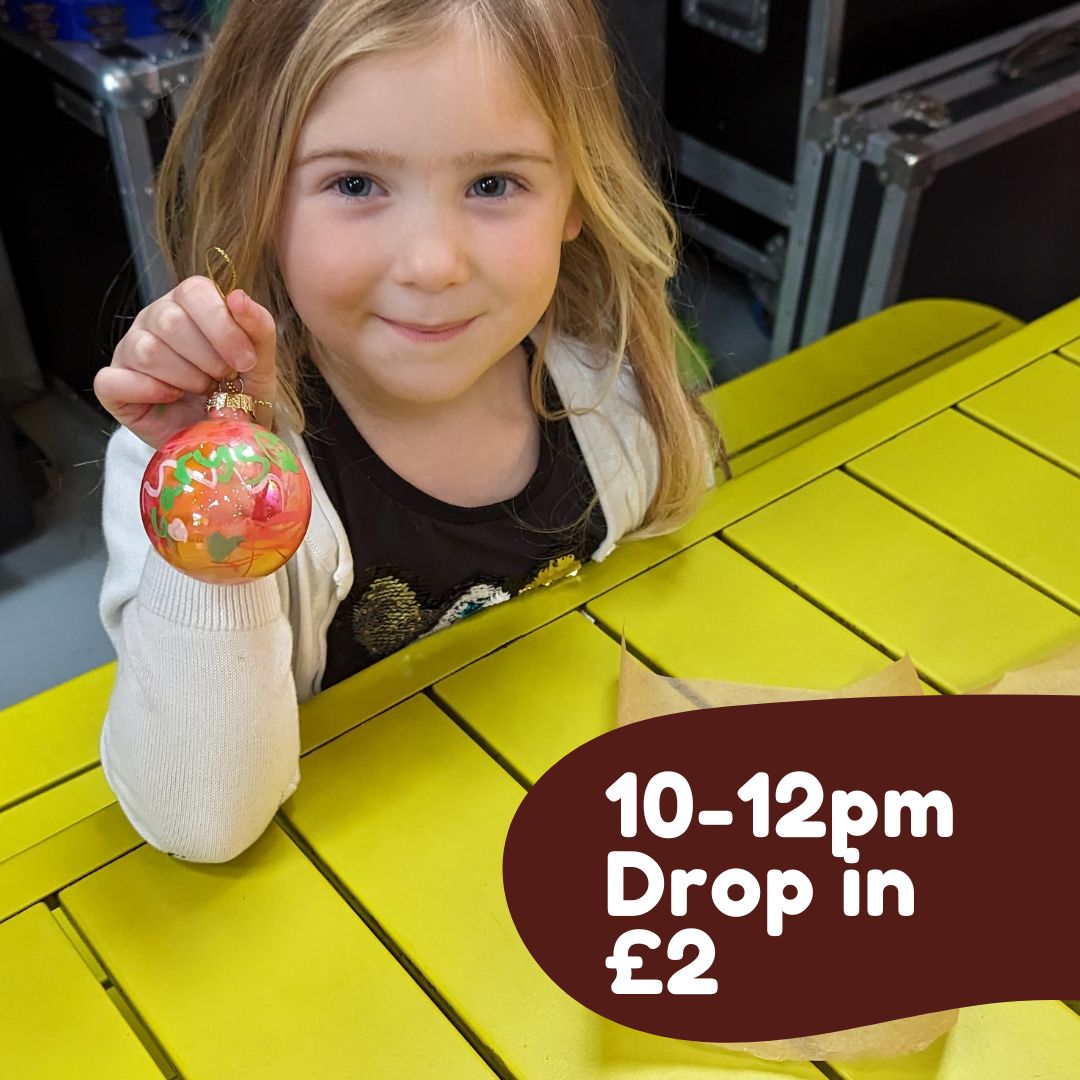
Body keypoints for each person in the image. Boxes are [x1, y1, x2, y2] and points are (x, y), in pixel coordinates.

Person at [94, 0, 724, 864]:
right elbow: (203, 821)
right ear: (258, 192)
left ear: (576, 195)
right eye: (356, 184)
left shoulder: (611, 396)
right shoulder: (180, 465)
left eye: (493, 184)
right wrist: (220, 488)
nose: (432, 264)